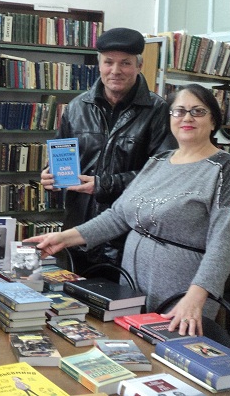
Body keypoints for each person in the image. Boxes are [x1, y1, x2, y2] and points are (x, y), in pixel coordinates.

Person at [29, 84, 230, 337]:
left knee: (172, 356)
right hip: (133, 286)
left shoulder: (225, 167)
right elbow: (118, 216)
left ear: (213, 120)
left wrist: (196, 296)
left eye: (197, 111)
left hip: (183, 294)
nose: (187, 118)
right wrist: (63, 239)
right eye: (179, 111)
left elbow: (224, 241)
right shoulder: (158, 161)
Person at [40, 27, 176, 276]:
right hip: (77, 232)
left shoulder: (158, 111)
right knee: (73, 298)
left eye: (125, 63)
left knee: (122, 300)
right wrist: (50, 176)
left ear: (139, 65)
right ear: (99, 65)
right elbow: (60, 156)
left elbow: (163, 176)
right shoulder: (77, 107)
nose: (115, 70)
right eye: (109, 62)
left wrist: (105, 184)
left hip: (128, 237)